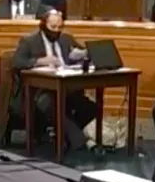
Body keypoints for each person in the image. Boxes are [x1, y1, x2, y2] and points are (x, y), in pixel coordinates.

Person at [10, 10, 97, 153]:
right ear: (43, 25)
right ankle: (78, 140)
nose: (56, 31)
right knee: (48, 103)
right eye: (53, 27)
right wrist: (39, 61)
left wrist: (82, 56)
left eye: (59, 27)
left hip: (67, 86)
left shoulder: (66, 39)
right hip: (39, 91)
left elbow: (83, 55)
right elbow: (16, 62)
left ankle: (64, 136)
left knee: (90, 107)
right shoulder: (29, 41)